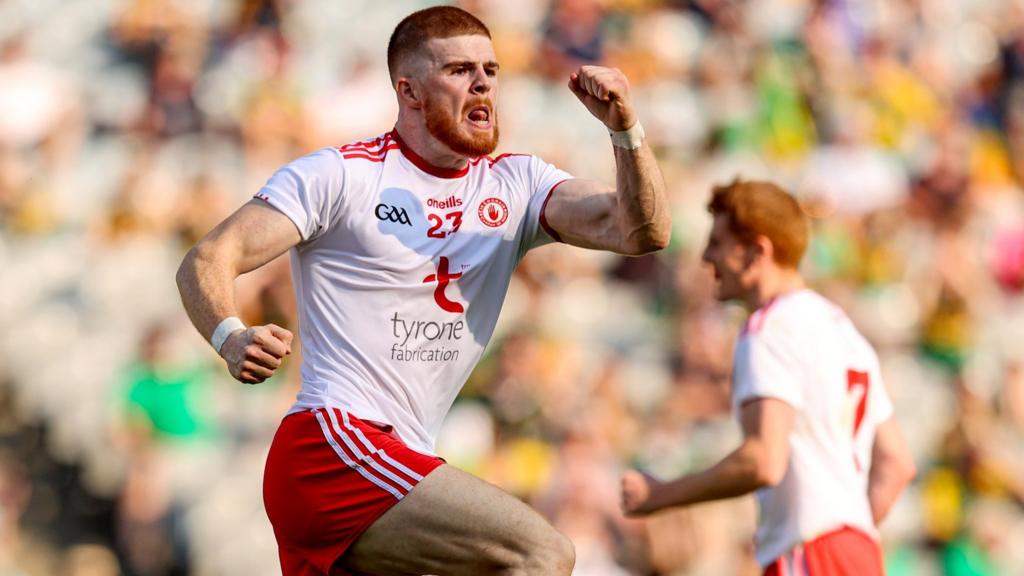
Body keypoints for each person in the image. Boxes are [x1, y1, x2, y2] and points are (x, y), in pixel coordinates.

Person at [175, 6, 669, 576]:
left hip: (400, 459)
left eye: (491, 68)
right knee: (541, 553)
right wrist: (231, 336)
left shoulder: (518, 184)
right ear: (408, 91)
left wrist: (625, 130)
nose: (482, 82)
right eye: (459, 70)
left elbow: (642, 231)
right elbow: (209, 258)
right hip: (334, 448)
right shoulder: (342, 176)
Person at [620, 180, 916, 575]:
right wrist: (848, 539)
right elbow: (897, 465)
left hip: (809, 552)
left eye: (718, 242)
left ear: (757, 250)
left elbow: (764, 461)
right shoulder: (844, 330)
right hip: (857, 553)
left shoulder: (769, 328)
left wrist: (662, 495)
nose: (707, 257)